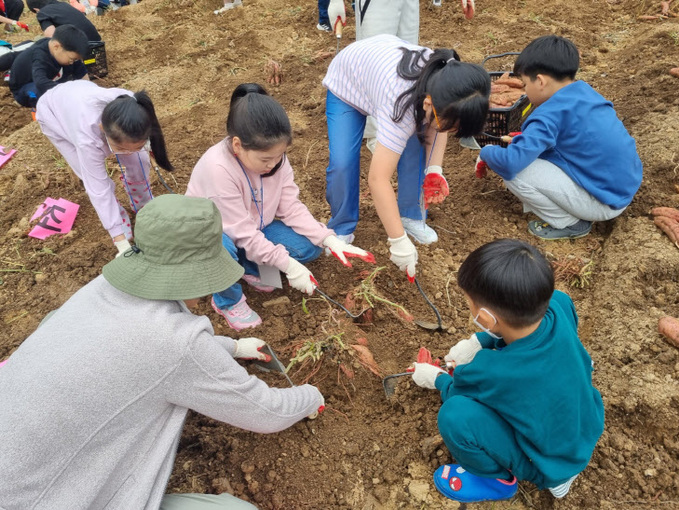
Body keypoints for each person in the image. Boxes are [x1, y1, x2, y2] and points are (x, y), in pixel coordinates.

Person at [0, 194, 325, 510]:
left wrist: (234, 346)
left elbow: (143, 345)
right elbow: (267, 413)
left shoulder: (102, 288)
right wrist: (312, 397)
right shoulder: (177, 342)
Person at [410, 239, 605, 503]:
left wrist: (437, 378)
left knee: (455, 416)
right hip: (584, 429)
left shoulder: (491, 371)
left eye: (469, 303)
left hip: (545, 463)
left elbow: (456, 391)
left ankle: (496, 482)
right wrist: (483, 340)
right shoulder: (560, 303)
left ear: (488, 319)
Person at [186, 83, 375, 331]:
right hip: (211, 235)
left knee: (308, 249)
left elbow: (291, 207)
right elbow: (240, 231)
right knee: (220, 247)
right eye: (266, 159)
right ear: (237, 146)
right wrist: (288, 266)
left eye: (279, 156)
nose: (273, 164)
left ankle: (247, 267)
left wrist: (329, 240)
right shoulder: (218, 169)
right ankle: (227, 300)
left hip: (253, 227)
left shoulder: (275, 160)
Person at [322, 34, 490, 280]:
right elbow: (378, 179)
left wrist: (434, 170)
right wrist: (398, 242)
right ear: (429, 103)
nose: (449, 131)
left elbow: (440, 125)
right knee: (343, 162)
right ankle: (341, 227)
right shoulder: (399, 106)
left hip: (384, 73)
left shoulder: (448, 83)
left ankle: (410, 214)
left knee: (416, 149)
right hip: (349, 80)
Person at [476, 35, 643, 240]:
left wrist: (486, 152)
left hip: (605, 201)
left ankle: (570, 223)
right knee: (528, 155)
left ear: (540, 81)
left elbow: (511, 164)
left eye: (526, 84)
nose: (525, 92)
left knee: (515, 173)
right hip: (623, 187)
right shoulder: (584, 92)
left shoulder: (547, 115)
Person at [36, 79, 174, 256]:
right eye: (121, 148)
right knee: (90, 175)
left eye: (138, 144)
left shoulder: (133, 105)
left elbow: (136, 150)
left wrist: (143, 149)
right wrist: (120, 240)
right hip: (54, 114)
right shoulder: (87, 139)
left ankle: (144, 205)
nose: (126, 152)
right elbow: (98, 190)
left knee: (139, 162)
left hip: (79, 92)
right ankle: (119, 219)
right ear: (103, 129)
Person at [9, 24, 89, 107]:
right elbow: (40, 82)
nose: (72, 62)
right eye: (71, 59)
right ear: (56, 47)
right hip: (27, 88)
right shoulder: (40, 56)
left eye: (75, 59)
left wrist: (87, 91)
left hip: (52, 80)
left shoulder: (65, 51)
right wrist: (68, 92)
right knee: (43, 94)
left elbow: (82, 73)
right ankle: (40, 112)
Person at [26, 0, 101, 40]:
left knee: (41, 41)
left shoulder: (42, 13)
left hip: (78, 48)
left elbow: (51, 38)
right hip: (96, 40)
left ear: (35, 9)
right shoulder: (64, 4)